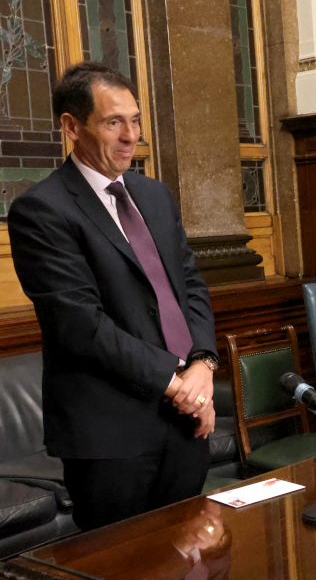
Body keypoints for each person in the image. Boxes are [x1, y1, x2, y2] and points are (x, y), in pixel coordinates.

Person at [8, 62, 218, 531]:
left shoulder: (155, 196)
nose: (131, 136)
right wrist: (179, 384)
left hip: (184, 424)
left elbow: (191, 287)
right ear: (71, 126)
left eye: (136, 120)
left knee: (189, 558)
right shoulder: (41, 209)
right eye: (113, 122)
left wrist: (204, 366)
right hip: (110, 436)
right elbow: (81, 325)